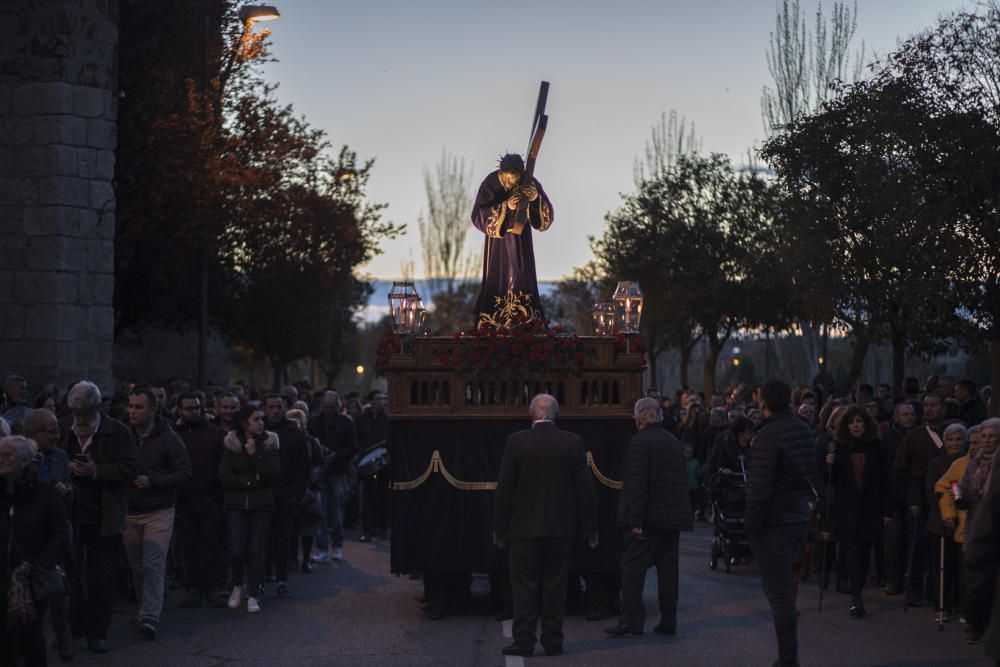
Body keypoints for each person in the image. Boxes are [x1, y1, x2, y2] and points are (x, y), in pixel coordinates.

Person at [493, 394, 597, 658]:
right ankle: (553, 640)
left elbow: (504, 489)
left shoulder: (516, 442)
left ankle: (524, 641)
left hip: (524, 529)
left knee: (524, 587)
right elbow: (585, 490)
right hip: (561, 528)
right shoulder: (573, 442)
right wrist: (591, 527)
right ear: (556, 414)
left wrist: (500, 527)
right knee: (555, 586)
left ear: (531, 414)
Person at [61, 380, 138, 654]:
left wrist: (96, 471)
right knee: (69, 574)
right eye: (76, 414)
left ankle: (98, 632)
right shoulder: (62, 428)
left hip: (105, 515)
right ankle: (74, 625)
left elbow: (130, 469)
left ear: (97, 408)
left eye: (85, 413)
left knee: (101, 577)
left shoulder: (118, 432)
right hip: (69, 515)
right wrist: (65, 468)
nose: (80, 419)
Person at [605, 397, 692, 638]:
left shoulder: (640, 442)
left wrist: (635, 522)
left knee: (632, 568)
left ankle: (632, 620)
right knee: (668, 568)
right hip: (671, 516)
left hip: (648, 518)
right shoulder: (672, 440)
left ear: (639, 418)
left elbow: (636, 485)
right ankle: (668, 618)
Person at [745, 380, 816, 667]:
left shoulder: (767, 436)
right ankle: (788, 655)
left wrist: (751, 525)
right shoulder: (803, 429)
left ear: (764, 401)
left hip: (775, 521)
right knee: (781, 589)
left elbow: (760, 488)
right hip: (797, 515)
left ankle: (788, 657)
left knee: (778, 594)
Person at [123, 388, 191, 639]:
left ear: (153, 409)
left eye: (139, 407)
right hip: (129, 511)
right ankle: (144, 608)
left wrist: (152, 481)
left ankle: (150, 616)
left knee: (153, 564)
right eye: (131, 406)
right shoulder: (124, 436)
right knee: (136, 566)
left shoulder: (169, 438)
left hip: (159, 510)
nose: (132, 411)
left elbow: (184, 473)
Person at [0, 435, 69, 666]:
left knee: (31, 636)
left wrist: (41, 563)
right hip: (2, 575)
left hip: (31, 576)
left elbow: (59, 533)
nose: (1, 459)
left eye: (7, 455)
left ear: (24, 460)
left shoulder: (43, 493)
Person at [470, 153, 554, 328]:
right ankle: (493, 325)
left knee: (521, 276)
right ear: (501, 173)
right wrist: (505, 207)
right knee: (497, 280)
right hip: (497, 246)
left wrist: (534, 199)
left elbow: (546, 219)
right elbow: (478, 215)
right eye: (506, 179)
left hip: (521, 241)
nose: (509, 184)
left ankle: (525, 324)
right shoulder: (490, 183)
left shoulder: (529, 182)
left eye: (513, 180)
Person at [824, 405, 892, 618]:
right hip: (847, 509)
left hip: (870, 508)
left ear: (866, 424)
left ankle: (858, 590)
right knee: (852, 551)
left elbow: (885, 482)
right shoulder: (838, 448)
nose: (856, 425)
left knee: (865, 553)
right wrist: (829, 465)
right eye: (852, 422)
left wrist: (887, 510)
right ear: (846, 425)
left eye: (859, 421)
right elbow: (831, 481)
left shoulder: (877, 448)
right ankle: (856, 598)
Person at [23, 409, 74, 660]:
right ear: (32, 433)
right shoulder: (19, 456)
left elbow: (70, 488)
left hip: (56, 530)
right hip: (28, 533)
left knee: (59, 590)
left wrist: (66, 490)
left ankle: (64, 638)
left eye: (57, 429)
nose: (57, 435)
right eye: (50, 430)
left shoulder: (61, 457)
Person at [220, 404, 280, 614]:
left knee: (256, 549)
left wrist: (255, 454)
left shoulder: (270, 443)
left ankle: (253, 593)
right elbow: (225, 477)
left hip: (261, 505)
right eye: (256, 419)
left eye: (262, 419)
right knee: (236, 549)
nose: (261, 422)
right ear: (245, 422)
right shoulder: (231, 443)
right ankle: (237, 583)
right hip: (236, 504)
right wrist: (251, 482)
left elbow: (272, 475)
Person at [173, 392, 227, 608]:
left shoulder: (215, 434)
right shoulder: (174, 434)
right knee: (191, 545)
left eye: (197, 408)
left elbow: (223, 466)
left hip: (211, 498)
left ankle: (213, 588)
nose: (194, 412)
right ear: (180, 410)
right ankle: (195, 588)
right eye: (189, 408)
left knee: (212, 544)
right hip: (185, 499)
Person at [893, 393, 945, 607]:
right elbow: (901, 469)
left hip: (944, 498)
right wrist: (909, 499)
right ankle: (914, 589)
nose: (929, 409)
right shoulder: (914, 436)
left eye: (934, 405)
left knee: (938, 549)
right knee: (918, 544)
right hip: (919, 500)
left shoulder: (951, 432)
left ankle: (937, 590)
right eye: (926, 405)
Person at [955, 417, 999, 644]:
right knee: (976, 577)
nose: (988, 440)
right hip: (976, 525)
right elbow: (961, 487)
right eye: (984, 436)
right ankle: (976, 623)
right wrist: (958, 497)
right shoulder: (973, 463)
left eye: (992, 436)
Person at [263, 394, 310, 597]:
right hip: (262, 494)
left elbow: (303, 466)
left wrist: (297, 494)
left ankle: (282, 578)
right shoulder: (257, 430)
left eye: (278, 407)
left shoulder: (294, 433)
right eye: (271, 407)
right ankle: (263, 577)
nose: (275, 411)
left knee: (282, 538)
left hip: (286, 494)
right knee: (262, 539)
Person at [306, 391, 357, 562]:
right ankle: (322, 548)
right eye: (325, 407)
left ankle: (336, 546)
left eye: (331, 407)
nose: (328, 410)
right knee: (321, 512)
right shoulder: (313, 422)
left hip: (336, 471)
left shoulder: (346, 423)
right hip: (321, 472)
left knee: (335, 512)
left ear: (337, 406)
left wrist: (335, 454)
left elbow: (353, 447)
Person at [927, 423, 969, 622]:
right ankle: (942, 604)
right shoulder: (936, 464)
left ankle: (961, 604)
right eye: (951, 439)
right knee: (942, 567)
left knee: (961, 567)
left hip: (963, 523)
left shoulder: (969, 463)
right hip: (940, 523)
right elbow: (937, 490)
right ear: (944, 441)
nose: (954, 443)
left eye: (959, 439)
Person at [356, 391, 390, 542]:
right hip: (367, 461)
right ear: (371, 401)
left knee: (385, 497)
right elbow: (356, 439)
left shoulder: (389, 419)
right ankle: (368, 530)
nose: (381, 402)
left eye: (383, 399)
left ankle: (384, 528)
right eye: (378, 399)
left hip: (385, 462)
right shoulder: (362, 419)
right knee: (368, 497)